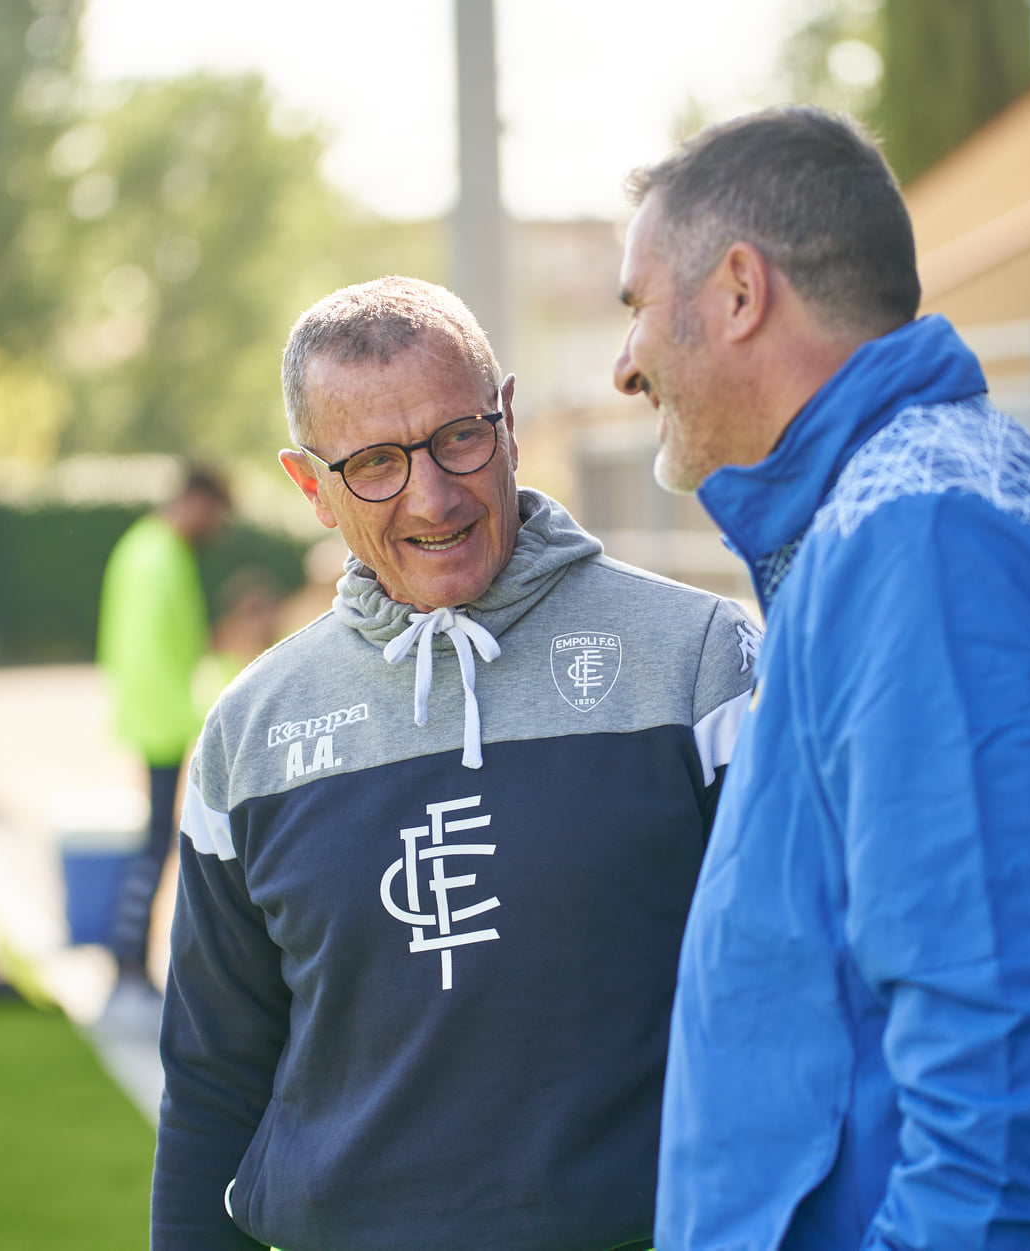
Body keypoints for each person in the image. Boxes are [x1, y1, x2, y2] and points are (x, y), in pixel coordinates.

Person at [614, 108, 1030, 1249]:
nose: (625, 359)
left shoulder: (930, 535)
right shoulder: (894, 509)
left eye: (636, 304)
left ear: (738, 292)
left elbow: (1014, 1057)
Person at [153, 276, 758, 1251]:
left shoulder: (698, 663)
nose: (432, 495)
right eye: (377, 464)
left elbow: (796, 1013)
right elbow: (214, 1078)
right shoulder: (248, 736)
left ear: (508, 420)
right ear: (311, 487)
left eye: (458, 439)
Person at [96, 466, 231, 1027]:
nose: (218, 528)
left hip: (154, 718)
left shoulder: (144, 547)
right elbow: (153, 654)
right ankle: (127, 973)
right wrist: (197, 719)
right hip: (162, 723)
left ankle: (130, 971)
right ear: (196, 501)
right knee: (156, 847)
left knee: (155, 845)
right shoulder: (160, 557)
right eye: (217, 514)